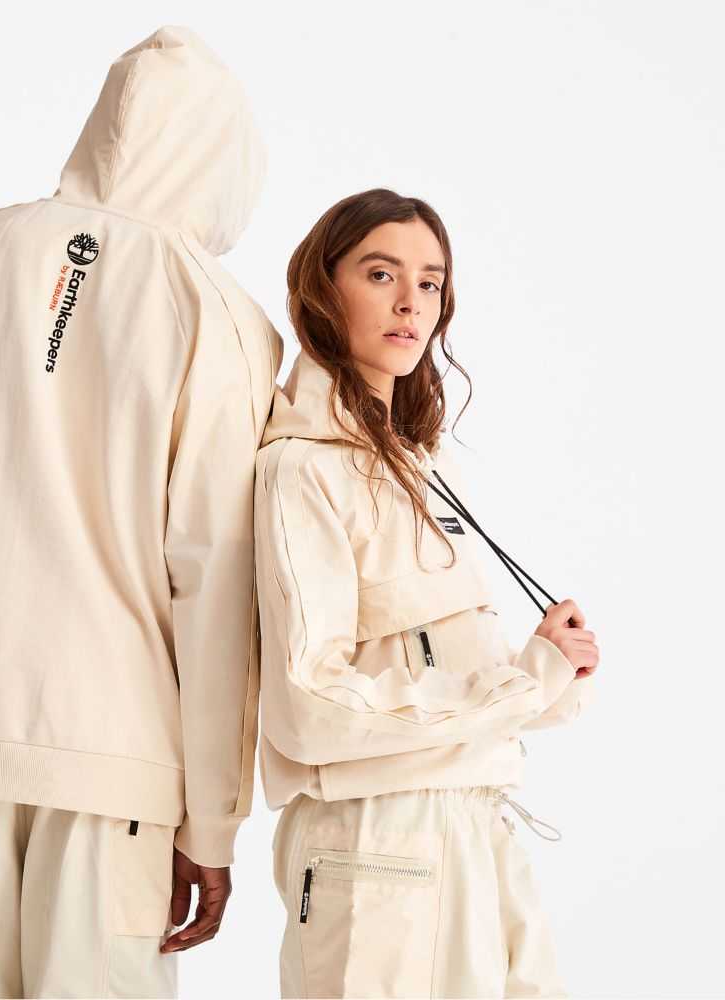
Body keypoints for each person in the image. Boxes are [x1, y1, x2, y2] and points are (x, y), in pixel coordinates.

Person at [0, 24, 282, 998]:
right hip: (117, 761)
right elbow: (216, 585)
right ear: (224, 158)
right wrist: (212, 824)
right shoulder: (215, 309)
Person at [253, 187, 599, 998]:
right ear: (323, 288)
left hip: (473, 826)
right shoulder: (303, 469)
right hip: (376, 839)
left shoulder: (420, 465)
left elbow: (441, 674)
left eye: (431, 282)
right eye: (381, 274)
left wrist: (553, 671)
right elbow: (309, 705)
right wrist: (522, 683)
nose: (411, 302)